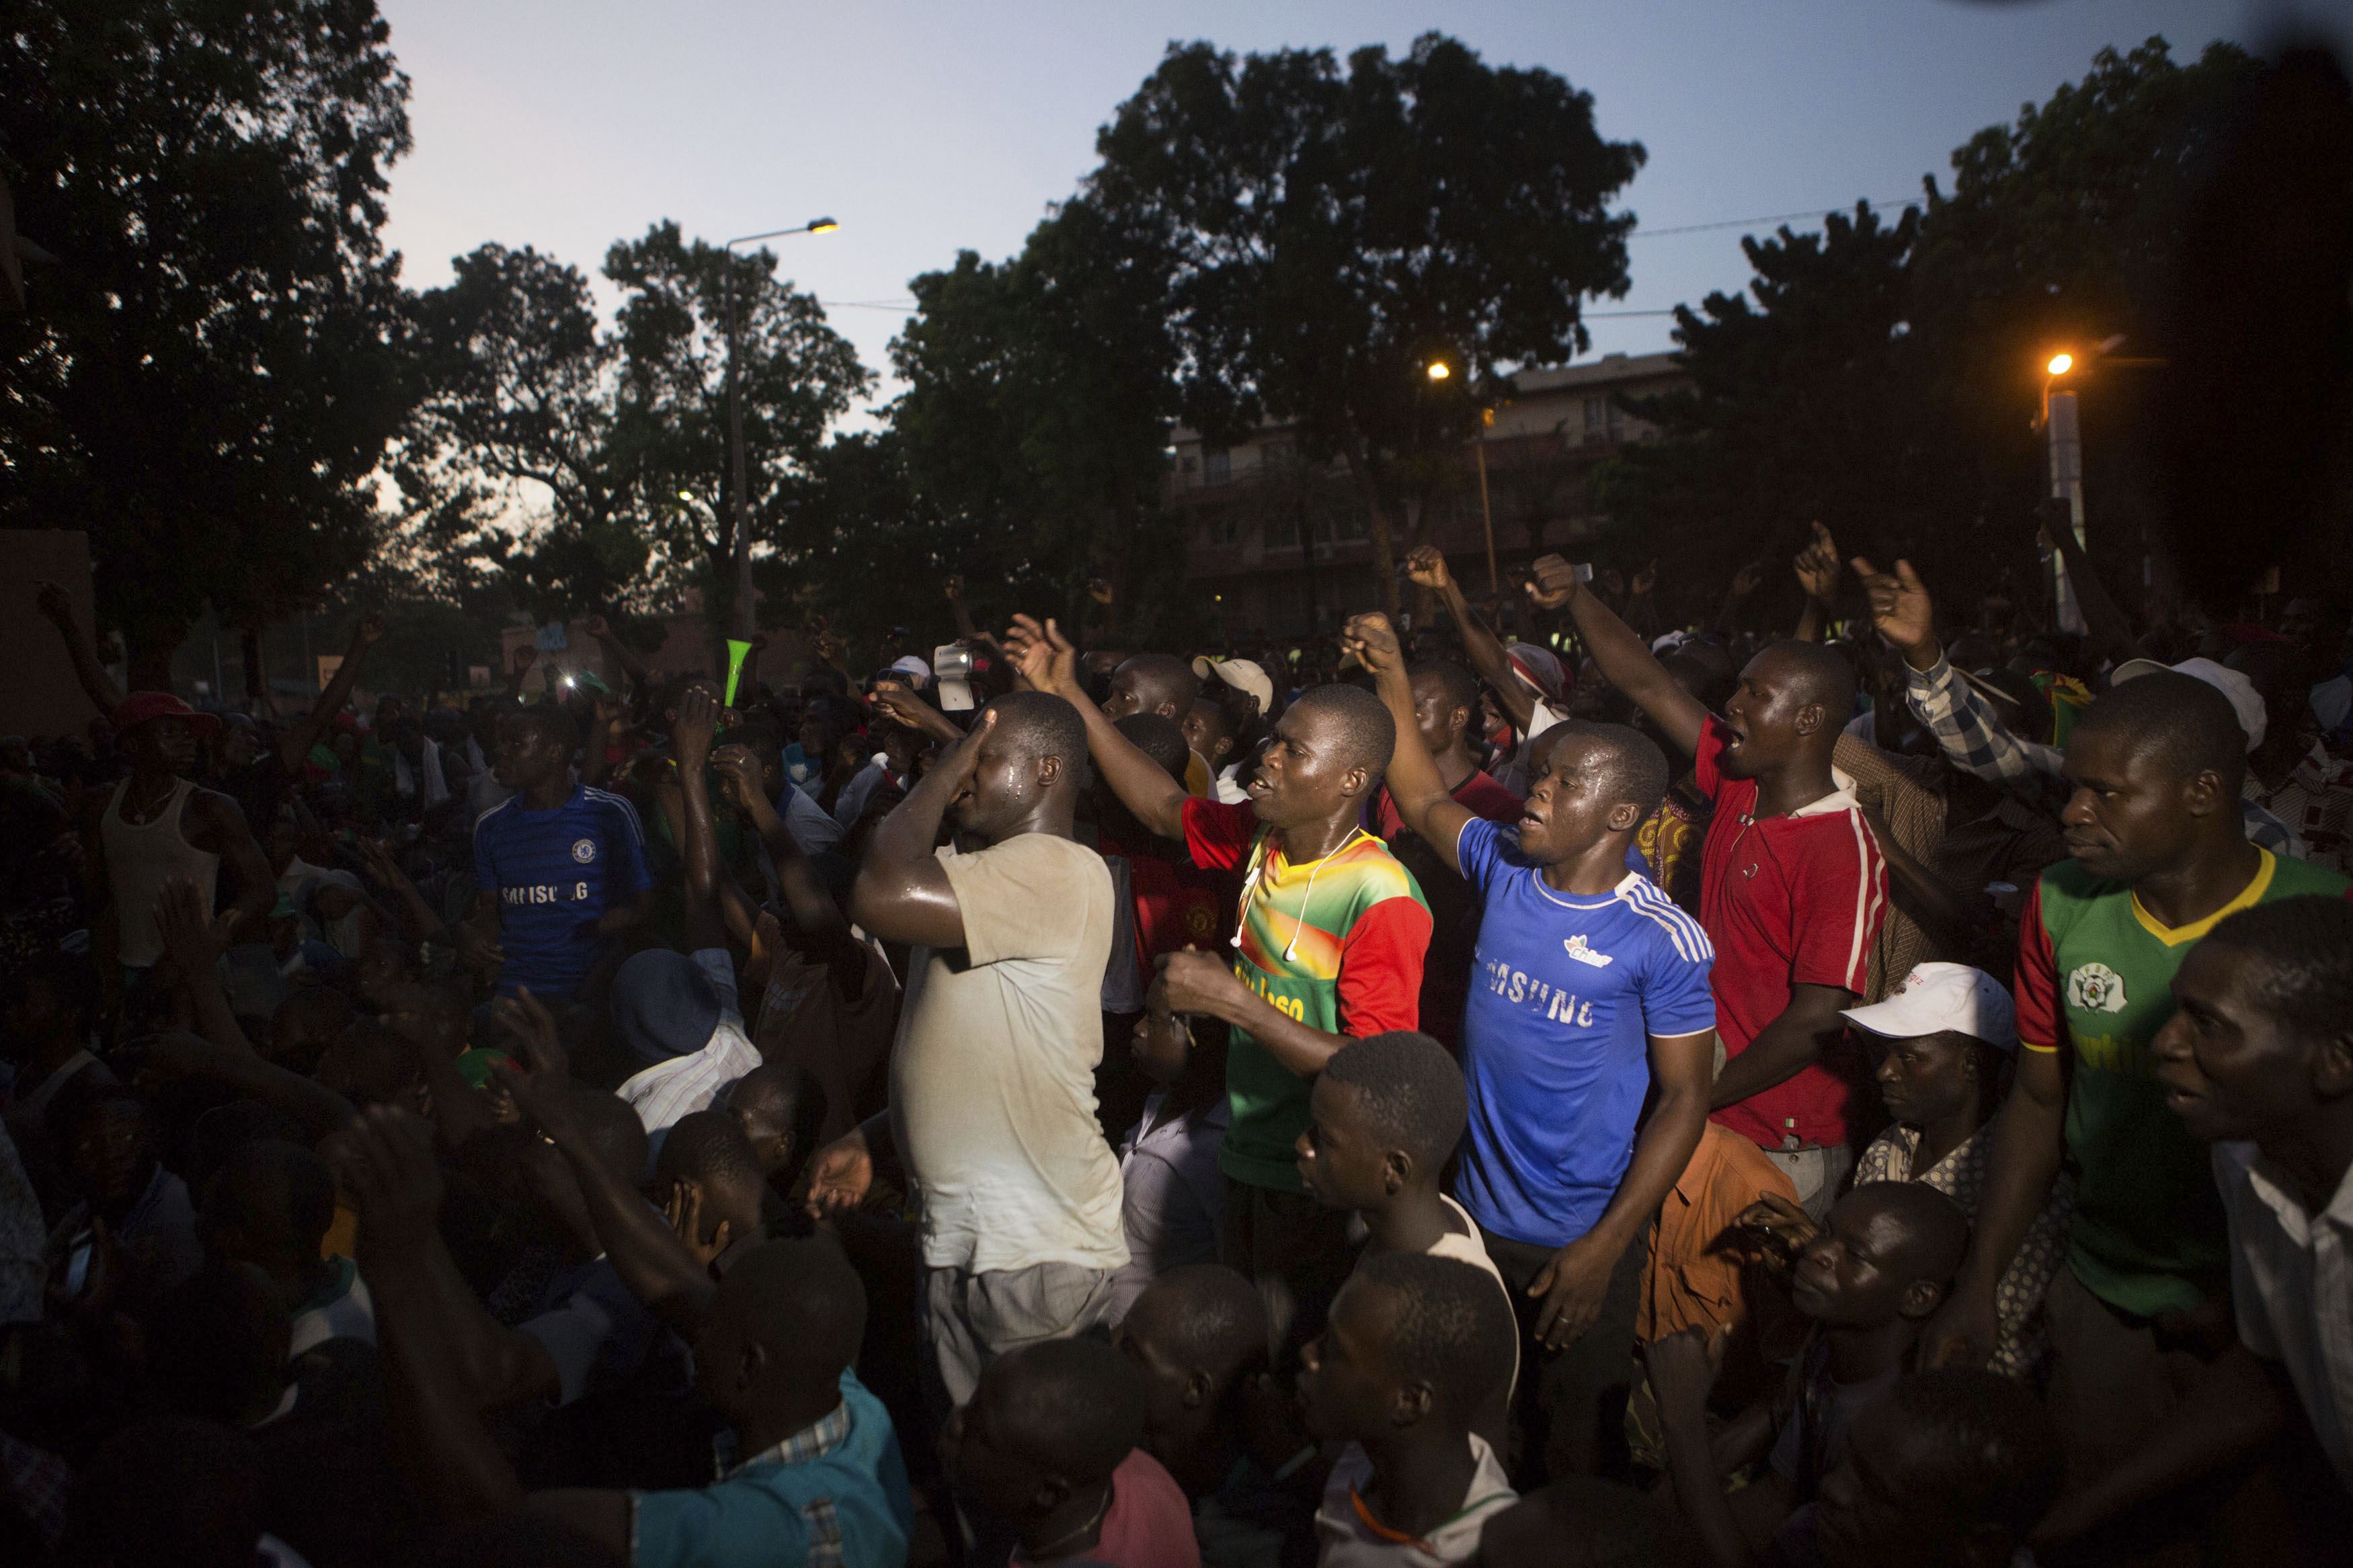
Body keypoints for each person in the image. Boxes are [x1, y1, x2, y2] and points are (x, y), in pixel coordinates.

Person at [1914, 670, 2350, 1498]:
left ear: (2201, 792)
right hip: (2106, 1284)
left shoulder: (2325, 916)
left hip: (2283, 1297)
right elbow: (2039, 1100)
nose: (2074, 811)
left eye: (2106, 793)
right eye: (2074, 787)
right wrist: (1981, 1285)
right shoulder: (2059, 903)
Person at [1347, 610, 1717, 1480]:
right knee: (1477, 1435)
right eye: (1538, 774)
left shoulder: (1659, 936)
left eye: (1562, 782)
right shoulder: (1503, 864)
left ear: (1621, 811)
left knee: (1571, 1455)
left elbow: (1687, 1098)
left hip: (1577, 1240)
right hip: (1473, 1219)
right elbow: (1422, 792)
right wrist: (1392, 670)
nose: (1536, 792)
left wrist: (1601, 1249)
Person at [1005, 614, 1429, 1369]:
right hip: (1245, 1152)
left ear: (1350, 780)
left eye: (1292, 749)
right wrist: (1067, 691)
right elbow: (1162, 804)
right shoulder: (1261, 839)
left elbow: (1379, 1075)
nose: (1264, 757)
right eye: (1274, 740)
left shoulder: (1379, 894)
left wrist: (1233, 1002)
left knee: (1291, 1365)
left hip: (1318, 1181)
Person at [329, 1104, 913, 1568]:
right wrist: (566, 1130)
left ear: (749, 1364)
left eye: (706, 1333)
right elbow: (676, 1285)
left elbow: (501, 1519)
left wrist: (398, 1264)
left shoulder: (759, 1532)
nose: (692, 1333)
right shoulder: (844, 1402)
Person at [1531, 554, 1887, 1219]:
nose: (1733, 702)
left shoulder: (1840, 845)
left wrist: (1695, 1092)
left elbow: (1814, 1022)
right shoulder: (1737, 781)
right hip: (1702, 1105)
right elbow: (1645, 681)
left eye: (1756, 694)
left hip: (1781, 1141)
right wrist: (1575, 596)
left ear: (1809, 719)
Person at [808, 693, 1129, 1410]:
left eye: (983, 759)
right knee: (974, 1465)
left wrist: (944, 764)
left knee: (1032, 1467)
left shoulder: (1056, 868)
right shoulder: (982, 871)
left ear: (1047, 771)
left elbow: (879, 888)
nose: (960, 775)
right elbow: (977, 1053)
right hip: (970, 1234)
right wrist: (880, 1136)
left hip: (1031, 1246)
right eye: (962, 760)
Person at [2017, 896, 2353, 1555]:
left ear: (2335, 1058)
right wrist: (2073, 1516)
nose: (2164, 1042)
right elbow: (2271, 1366)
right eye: (2176, 1010)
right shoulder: (2247, 1163)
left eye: (2208, 1024)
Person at [1644, 1182, 1969, 1567]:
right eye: (1827, 1233)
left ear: (1918, 1298)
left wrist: (1683, 1421)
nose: (1817, 1253)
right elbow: (1776, 1498)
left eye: (1855, 1254)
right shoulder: (1830, 1356)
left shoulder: (1895, 1433)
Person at [1842, 963, 2070, 1380]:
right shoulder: (1889, 1148)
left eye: (1907, 1057)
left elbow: (2001, 1345)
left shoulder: (2024, 1190)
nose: (1884, 1071)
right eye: (1886, 1053)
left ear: (1971, 1066)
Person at [1293, 1030, 1515, 1444]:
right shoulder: (1417, 1219)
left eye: (1324, 1140)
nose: (1302, 1147)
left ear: (1394, 1170)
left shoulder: (1446, 1306)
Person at [1299, 1251, 1521, 1567]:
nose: (1307, 1353)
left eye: (1332, 1349)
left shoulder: (1486, 1551)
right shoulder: (1361, 1464)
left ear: (1409, 1402)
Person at [1368, 659, 1522, 1053]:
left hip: (1452, 1010)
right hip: (1390, 991)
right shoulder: (1389, 791)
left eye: (1416, 709)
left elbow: (1499, 931)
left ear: (1457, 717)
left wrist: (1431, 882)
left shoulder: (1497, 808)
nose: (1400, 721)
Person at [947, 1335, 1201, 1568]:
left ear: (1049, 1493)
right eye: (973, 1402)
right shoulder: (1140, 1470)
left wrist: (956, 1480)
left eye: (980, 1434)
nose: (957, 1420)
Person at [462, 704, 653, 1003]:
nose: (500, 751)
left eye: (516, 743)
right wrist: (466, 935)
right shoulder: (490, 827)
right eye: (501, 742)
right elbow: (492, 914)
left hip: (592, 993)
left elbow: (644, 908)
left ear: (554, 752)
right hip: (518, 996)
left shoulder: (609, 813)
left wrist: (587, 931)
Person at [83, 691, 274, 984]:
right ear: (132, 745)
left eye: (189, 732)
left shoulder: (209, 808)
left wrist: (217, 934)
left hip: (194, 977)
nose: (187, 740)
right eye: (171, 732)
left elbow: (262, 890)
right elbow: (97, 898)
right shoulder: (101, 805)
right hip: (125, 972)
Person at [1806, 1370, 2063, 1568]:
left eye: (1876, 1491)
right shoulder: (1808, 1534)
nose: (1832, 1488)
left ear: (1980, 1549)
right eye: (1846, 1457)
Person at [1109, 985, 1229, 1325]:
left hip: (1152, 1342)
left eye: (1156, 1020)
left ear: (1196, 1039)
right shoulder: (1153, 1105)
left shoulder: (1212, 1147)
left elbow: (1225, 1270)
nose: (1139, 1027)